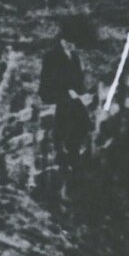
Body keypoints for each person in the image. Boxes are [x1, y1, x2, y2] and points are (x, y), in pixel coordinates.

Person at [39, 17, 94, 172]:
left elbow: (78, 84)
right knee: (73, 120)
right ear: (63, 40)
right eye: (70, 41)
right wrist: (66, 93)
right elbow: (47, 85)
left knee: (80, 123)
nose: (73, 45)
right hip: (56, 97)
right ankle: (67, 158)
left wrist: (81, 91)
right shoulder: (52, 57)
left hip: (72, 99)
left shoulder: (74, 57)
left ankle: (73, 157)